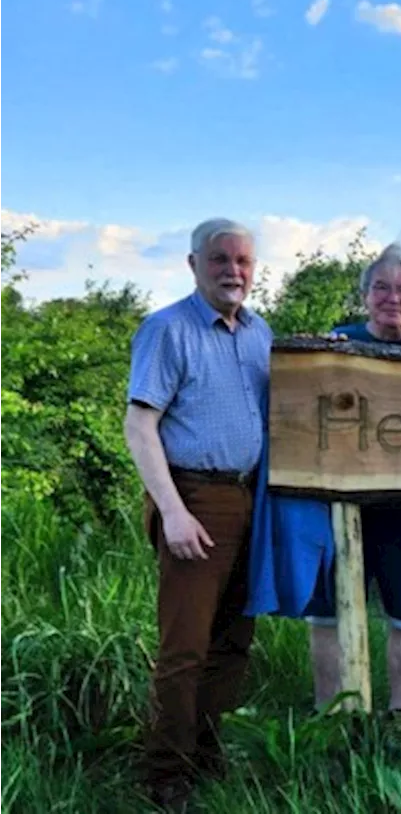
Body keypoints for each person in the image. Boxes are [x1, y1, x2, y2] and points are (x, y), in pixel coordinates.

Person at [124, 218, 272, 810]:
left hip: (249, 499)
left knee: (233, 641)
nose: (233, 271)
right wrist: (174, 513)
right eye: (219, 259)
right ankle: (166, 775)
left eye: (242, 261)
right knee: (184, 648)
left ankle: (206, 753)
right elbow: (139, 427)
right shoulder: (167, 330)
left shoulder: (261, 332)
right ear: (193, 265)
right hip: (194, 498)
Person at [301, 244, 401, 749]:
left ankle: (399, 714)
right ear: (365, 294)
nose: (393, 299)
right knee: (327, 616)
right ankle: (330, 710)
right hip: (337, 507)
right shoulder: (337, 343)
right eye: (382, 288)